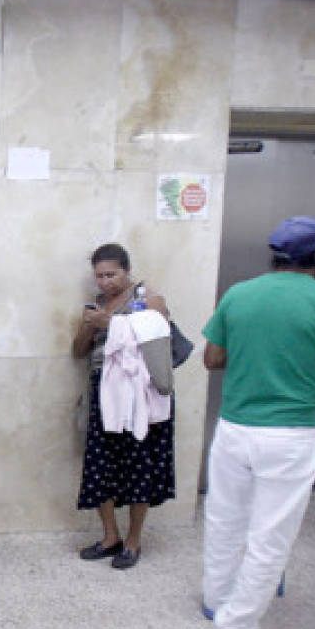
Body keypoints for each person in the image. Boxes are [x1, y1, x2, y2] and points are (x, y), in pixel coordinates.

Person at [201, 216, 315, 629]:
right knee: (270, 535)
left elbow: (213, 359)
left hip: (234, 427)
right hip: (292, 433)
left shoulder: (239, 294)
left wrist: (256, 366)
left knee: (223, 518)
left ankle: (217, 600)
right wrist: (305, 379)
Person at [71, 242, 175, 569]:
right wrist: (91, 325)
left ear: (126, 271)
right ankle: (109, 535)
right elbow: (78, 351)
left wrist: (112, 324)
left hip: (139, 392)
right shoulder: (97, 305)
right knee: (101, 464)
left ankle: (133, 540)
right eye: (99, 276)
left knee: (139, 464)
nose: (105, 282)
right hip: (104, 389)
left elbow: (158, 331)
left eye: (111, 274)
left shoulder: (148, 297)